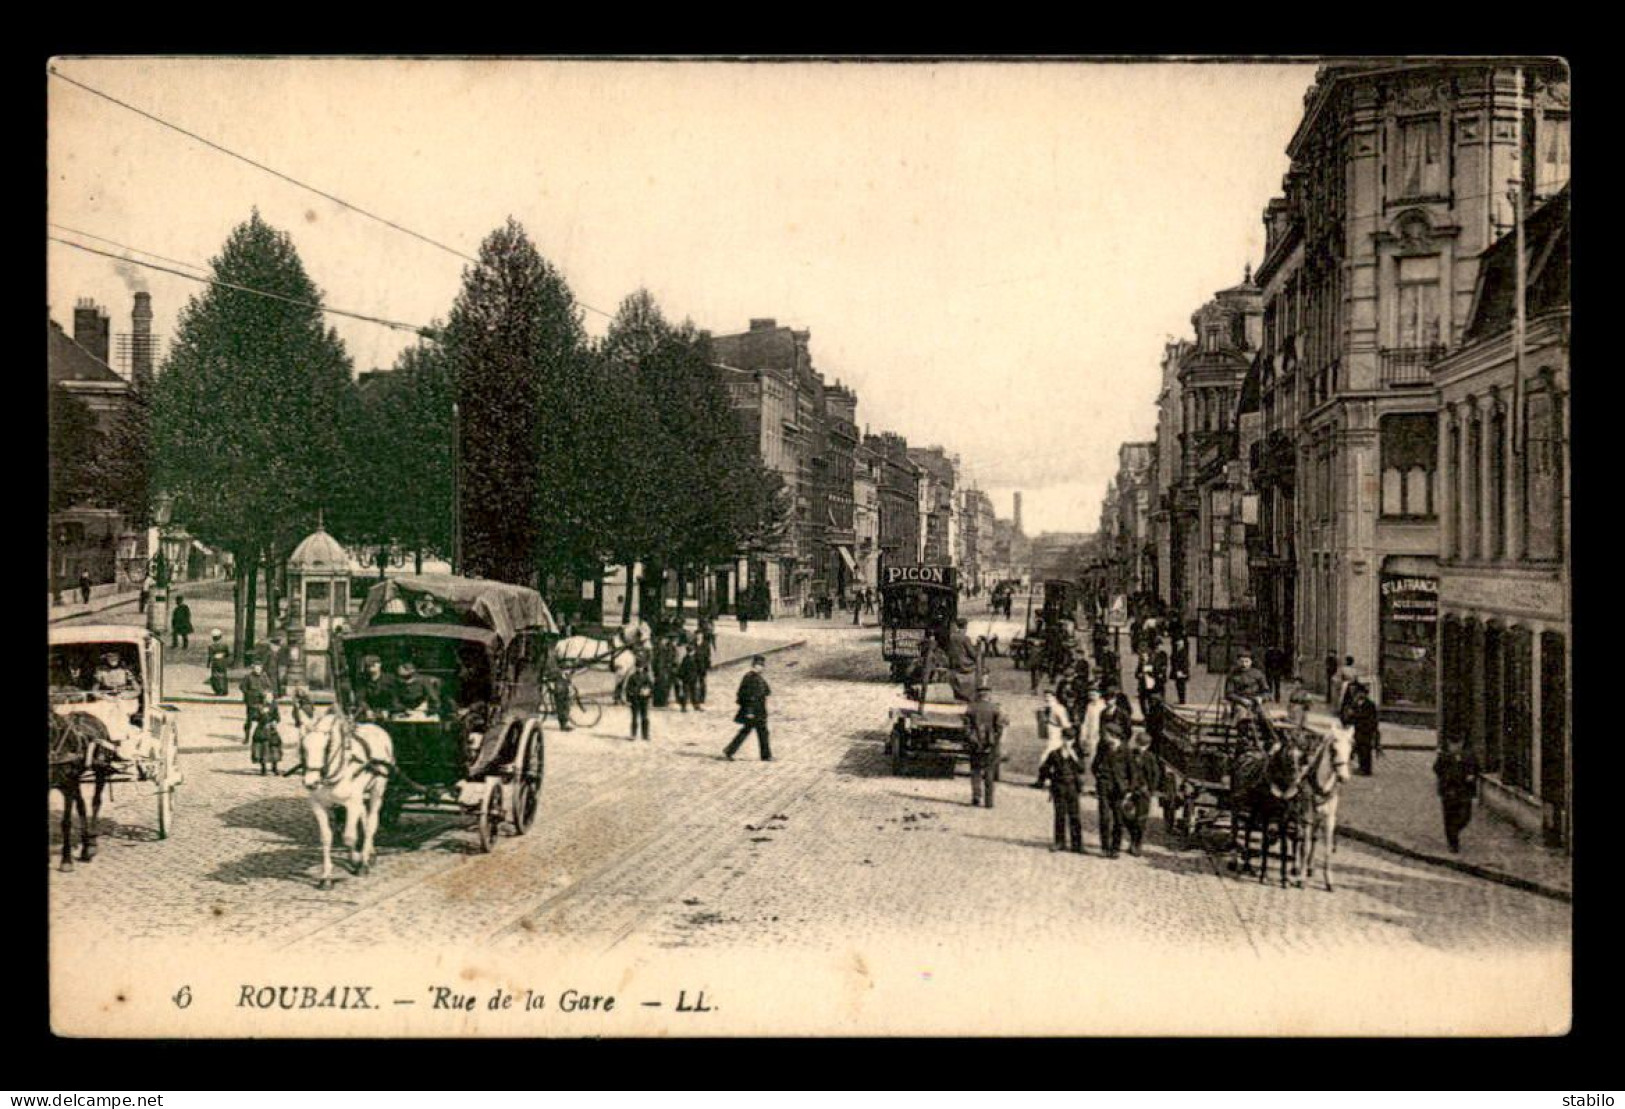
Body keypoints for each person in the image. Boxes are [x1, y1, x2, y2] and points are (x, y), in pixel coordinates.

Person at [1035, 716, 1085, 853]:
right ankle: (1059, 842)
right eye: (1065, 739)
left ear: (1074, 740)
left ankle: (1077, 844)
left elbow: (1082, 769)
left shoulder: (1077, 753)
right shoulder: (1054, 754)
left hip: (1073, 786)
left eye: (1070, 739)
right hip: (1059, 786)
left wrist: (1074, 755)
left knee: (1074, 815)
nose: (1067, 742)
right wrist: (1050, 778)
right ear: (1062, 738)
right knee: (1060, 815)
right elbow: (1044, 769)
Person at [1433, 736, 1480, 853]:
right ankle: (1453, 843)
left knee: (1465, 816)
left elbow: (1477, 768)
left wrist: (1472, 775)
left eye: (1458, 744)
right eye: (1453, 744)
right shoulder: (1444, 756)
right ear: (1449, 744)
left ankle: (1454, 831)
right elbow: (1436, 769)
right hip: (1449, 791)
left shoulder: (1469, 756)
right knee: (1449, 817)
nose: (1455, 747)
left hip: (1464, 791)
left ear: (1462, 743)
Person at [965, 678, 1006, 809]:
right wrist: (994, 741)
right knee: (989, 773)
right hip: (991, 745)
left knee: (975, 771)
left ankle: (976, 796)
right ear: (989, 695)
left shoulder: (971, 708)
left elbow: (966, 727)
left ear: (978, 695)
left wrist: (972, 739)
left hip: (975, 744)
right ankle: (989, 802)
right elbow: (999, 728)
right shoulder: (995, 709)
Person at [1092, 721, 1130, 859]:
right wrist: (1100, 778)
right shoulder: (1102, 747)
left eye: (1106, 734)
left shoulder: (1125, 750)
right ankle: (1104, 847)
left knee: (1119, 820)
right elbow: (1095, 765)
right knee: (1104, 818)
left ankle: (1115, 848)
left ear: (1113, 735)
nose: (1104, 736)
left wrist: (1129, 789)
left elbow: (1132, 771)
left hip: (1119, 789)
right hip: (1104, 786)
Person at [723, 655, 772, 761]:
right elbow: (746, 696)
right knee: (751, 731)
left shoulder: (757, 677)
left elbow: (767, 691)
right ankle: (765, 755)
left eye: (762, 666)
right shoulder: (750, 678)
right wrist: (749, 711)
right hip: (753, 711)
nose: (761, 668)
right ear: (754, 666)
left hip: (759, 710)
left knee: (758, 731)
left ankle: (765, 755)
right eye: (759, 666)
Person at [1121, 728, 1161, 857]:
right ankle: (1133, 835)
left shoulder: (1150, 757)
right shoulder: (1130, 754)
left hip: (1143, 791)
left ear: (1147, 746)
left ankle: (1136, 844)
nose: (1140, 747)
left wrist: (1151, 790)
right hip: (1130, 790)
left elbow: (1155, 775)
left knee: (1141, 819)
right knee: (1124, 815)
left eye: (1143, 745)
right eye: (1139, 744)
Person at [1341, 681, 1381, 776]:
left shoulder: (1370, 704)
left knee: (1366, 750)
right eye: (1358, 693)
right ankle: (1361, 766)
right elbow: (1351, 716)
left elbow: (1371, 718)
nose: (1360, 695)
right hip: (1358, 730)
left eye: (1361, 693)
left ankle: (1366, 769)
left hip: (1366, 730)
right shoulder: (1355, 704)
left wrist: (1355, 715)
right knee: (1359, 749)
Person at [1077, 687, 1106, 795]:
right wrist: (1083, 735)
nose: (1092, 697)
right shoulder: (1089, 706)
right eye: (1090, 695)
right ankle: (1091, 785)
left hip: (1099, 737)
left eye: (1094, 694)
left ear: (1099, 695)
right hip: (1091, 738)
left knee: (1098, 762)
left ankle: (1098, 787)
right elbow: (1086, 721)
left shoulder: (1103, 706)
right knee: (1091, 761)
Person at [240, 659, 275, 745]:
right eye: (256, 668)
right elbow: (242, 687)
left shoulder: (264, 677)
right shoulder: (248, 677)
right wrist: (249, 694)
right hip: (252, 702)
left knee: (264, 719)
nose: (257, 670)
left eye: (259, 668)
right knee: (249, 720)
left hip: (262, 701)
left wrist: (266, 693)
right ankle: (247, 737)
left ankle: (263, 736)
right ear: (253, 668)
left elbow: (269, 687)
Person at [355, 655, 396, 721]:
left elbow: (395, 698)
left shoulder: (390, 679)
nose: (371, 667)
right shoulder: (363, 681)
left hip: (389, 713)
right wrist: (367, 710)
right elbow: (360, 698)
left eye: (373, 664)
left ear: (379, 664)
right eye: (368, 665)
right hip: (369, 714)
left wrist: (389, 711)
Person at [625, 657, 654, 741]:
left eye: (640, 667)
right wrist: (628, 700)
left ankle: (645, 735)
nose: (639, 668)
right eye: (638, 667)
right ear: (635, 667)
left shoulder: (646, 677)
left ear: (643, 667)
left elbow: (651, 687)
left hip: (644, 700)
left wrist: (648, 693)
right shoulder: (632, 677)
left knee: (645, 717)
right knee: (634, 718)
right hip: (635, 699)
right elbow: (628, 689)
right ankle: (633, 734)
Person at [206, 629, 231, 696]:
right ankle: (225, 690)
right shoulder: (224, 645)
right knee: (223, 675)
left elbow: (210, 656)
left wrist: (208, 664)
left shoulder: (211, 646)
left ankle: (218, 690)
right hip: (223, 661)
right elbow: (228, 653)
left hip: (215, 661)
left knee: (216, 675)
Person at [674, 641, 695, 712]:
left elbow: (681, 669)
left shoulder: (685, 659)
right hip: (689, 678)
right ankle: (688, 706)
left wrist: (680, 676)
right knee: (690, 692)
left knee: (686, 693)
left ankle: (684, 706)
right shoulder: (691, 659)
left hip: (686, 678)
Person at [1170, 636, 1190, 704]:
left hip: (1182, 672)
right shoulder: (1177, 651)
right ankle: (1181, 700)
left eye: (1180, 642)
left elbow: (1185, 663)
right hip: (1178, 671)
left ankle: (1182, 700)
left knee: (1181, 686)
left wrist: (1182, 672)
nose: (1179, 644)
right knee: (1178, 685)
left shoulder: (1183, 652)